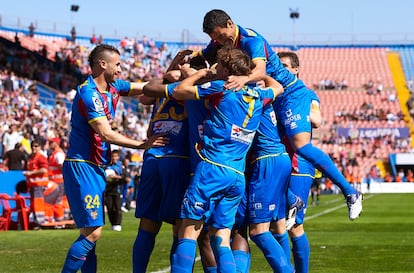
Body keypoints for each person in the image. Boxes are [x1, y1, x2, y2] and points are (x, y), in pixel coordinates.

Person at [194, 9, 362, 221]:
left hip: (289, 93)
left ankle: (350, 192)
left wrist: (243, 80)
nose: (218, 41)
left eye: (219, 35)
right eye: (214, 38)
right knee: (263, 151)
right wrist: (191, 57)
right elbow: (203, 54)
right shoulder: (221, 41)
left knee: (301, 146)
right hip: (269, 98)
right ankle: (291, 200)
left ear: (230, 24)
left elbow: (259, 70)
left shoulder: (251, 40)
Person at [170, 46, 284, 273]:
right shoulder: (259, 95)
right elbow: (278, 87)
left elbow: (180, 91)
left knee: (189, 231)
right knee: (220, 235)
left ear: (225, 68)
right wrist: (254, 77)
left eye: (219, 65)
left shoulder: (221, 88)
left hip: (212, 168)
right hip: (236, 175)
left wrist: (202, 73)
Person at [60, 44, 168, 273]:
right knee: (93, 232)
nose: (121, 69)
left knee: (90, 234)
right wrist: (142, 144)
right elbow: (106, 133)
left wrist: (173, 75)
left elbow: (146, 87)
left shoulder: (114, 87)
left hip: (96, 167)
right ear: (102, 64)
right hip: (83, 166)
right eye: (117, 64)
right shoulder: (88, 93)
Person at [132, 53, 191, 273]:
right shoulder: (190, 88)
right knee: (181, 226)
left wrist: (170, 71)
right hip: (177, 157)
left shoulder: (161, 87)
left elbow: (144, 95)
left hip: (153, 157)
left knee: (148, 224)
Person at [23, 139, 49, 226]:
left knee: (38, 204)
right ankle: (36, 221)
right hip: (33, 185)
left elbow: (44, 169)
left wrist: (31, 173)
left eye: (36, 146)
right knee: (34, 204)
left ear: (40, 147)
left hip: (39, 185)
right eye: (32, 146)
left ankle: (40, 222)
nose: (34, 148)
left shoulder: (41, 156)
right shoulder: (32, 157)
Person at [104, 149, 123, 231]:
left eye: (116, 156)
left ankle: (118, 224)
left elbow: (123, 177)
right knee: (110, 208)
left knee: (117, 207)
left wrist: (116, 177)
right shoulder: (106, 165)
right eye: (113, 156)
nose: (114, 158)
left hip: (117, 190)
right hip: (108, 190)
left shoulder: (119, 166)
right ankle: (113, 224)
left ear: (118, 157)